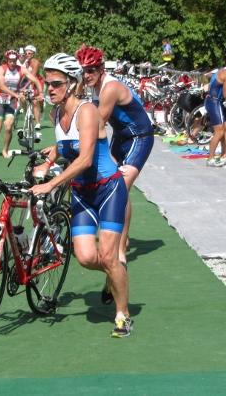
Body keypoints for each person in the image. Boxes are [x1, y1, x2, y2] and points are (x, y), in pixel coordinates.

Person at [30, 53, 133, 338]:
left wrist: (51, 184)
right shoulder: (55, 113)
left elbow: (85, 159)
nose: (50, 88)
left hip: (108, 189)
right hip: (82, 193)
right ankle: (115, 272)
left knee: (108, 255)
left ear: (72, 83)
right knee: (86, 257)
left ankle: (123, 314)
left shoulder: (86, 111)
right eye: (47, 83)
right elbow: (65, 147)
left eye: (56, 83)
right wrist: (48, 163)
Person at [76, 45, 153, 305]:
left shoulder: (109, 88)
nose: (87, 75)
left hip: (139, 138)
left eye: (91, 70)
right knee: (110, 181)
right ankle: (119, 241)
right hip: (121, 137)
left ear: (101, 69)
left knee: (120, 184)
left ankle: (120, 247)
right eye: (83, 71)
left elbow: (97, 122)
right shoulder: (92, 85)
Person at [0, 49, 43, 158]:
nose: (12, 63)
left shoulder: (22, 69)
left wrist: (41, 93)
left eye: (14, 60)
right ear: (7, 60)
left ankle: (5, 150)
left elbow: (35, 80)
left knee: (8, 127)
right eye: (10, 61)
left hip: (12, 101)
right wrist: (15, 94)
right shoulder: (1, 69)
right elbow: (2, 86)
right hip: (0, 99)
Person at [21, 45, 45, 129]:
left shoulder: (35, 62)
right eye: (26, 53)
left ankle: (38, 123)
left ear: (33, 54)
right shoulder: (26, 62)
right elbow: (24, 74)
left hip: (38, 82)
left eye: (29, 53)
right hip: (29, 81)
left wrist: (25, 87)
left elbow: (33, 77)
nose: (27, 54)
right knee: (23, 98)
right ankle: (27, 113)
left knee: (35, 101)